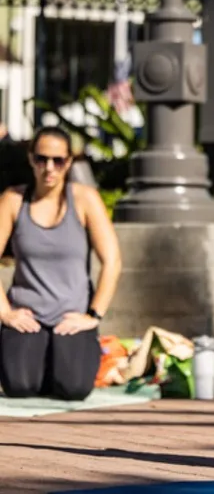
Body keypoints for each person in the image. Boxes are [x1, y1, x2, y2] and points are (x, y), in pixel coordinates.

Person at [0, 126, 122, 400]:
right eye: (42, 159)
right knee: (19, 386)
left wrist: (93, 316)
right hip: (27, 315)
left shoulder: (84, 199)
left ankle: (58, 361)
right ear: (31, 159)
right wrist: (5, 313)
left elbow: (112, 261)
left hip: (71, 317)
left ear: (69, 161)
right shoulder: (13, 199)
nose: (49, 168)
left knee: (74, 388)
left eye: (59, 160)